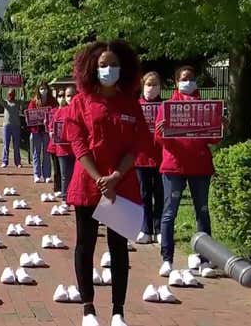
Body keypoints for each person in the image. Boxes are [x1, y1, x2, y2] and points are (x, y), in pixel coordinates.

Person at [65, 40, 149, 326]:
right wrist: (99, 177)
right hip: (88, 183)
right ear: (92, 68)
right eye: (103, 65)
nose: (108, 69)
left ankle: (118, 312)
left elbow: (136, 144)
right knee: (85, 245)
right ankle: (88, 309)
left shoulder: (130, 103)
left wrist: (116, 176)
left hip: (120, 184)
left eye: (113, 65)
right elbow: (78, 143)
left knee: (118, 247)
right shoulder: (80, 101)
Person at [155, 65, 221, 277]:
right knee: (169, 212)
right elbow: (159, 140)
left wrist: (221, 127)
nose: (188, 82)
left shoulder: (205, 107)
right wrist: (162, 132)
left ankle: (204, 259)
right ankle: (167, 259)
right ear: (176, 82)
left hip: (200, 167)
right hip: (174, 166)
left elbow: (214, 138)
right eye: (184, 78)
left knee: (202, 212)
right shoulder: (167, 107)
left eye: (192, 78)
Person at [135, 72, 165, 244]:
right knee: (144, 194)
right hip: (141, 157)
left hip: (161, 157)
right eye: (148, 84)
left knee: (160, 193)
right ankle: (145, 228)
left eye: (155, 85)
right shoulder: (136, 106)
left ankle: (159, 228)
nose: (151, 88)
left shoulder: (165, 107)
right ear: (142, 85)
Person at [47, 85, 77, 200]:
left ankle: (73, 196)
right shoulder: (60, 112)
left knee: (75, 174)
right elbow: (52, 127)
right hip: (62, 150)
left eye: (72, 95)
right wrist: (52, 133)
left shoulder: (81, 111)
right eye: (68, 96)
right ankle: (65, 197)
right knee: (65, 174)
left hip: (76, 149)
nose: (70, 98)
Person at [27, 80, 57, 183]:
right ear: (38, 90)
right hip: (36, 131)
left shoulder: (52, 101)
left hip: (47, 131)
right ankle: (37, 174)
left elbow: (56, 113)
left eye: (44, 88)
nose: (43, 90)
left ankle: (47, 175)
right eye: (41, 89)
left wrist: (49, 121)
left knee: (46, 153)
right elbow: (30, 116)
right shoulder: (34, 101)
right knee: (36, 153)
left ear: (47, 89)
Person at [0, 87, 24, 168]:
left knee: (16, 145)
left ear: (14, 95)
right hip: (7, 126)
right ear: (7, 95)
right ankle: (4, 161)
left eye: (12, 94)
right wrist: (0, 88)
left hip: (16, 126)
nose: (10, 95)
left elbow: (23, 98)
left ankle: (18, 162)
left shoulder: (17, 102)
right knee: (6, 144)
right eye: (9, 94)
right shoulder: (6, 103)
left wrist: (22, 89)